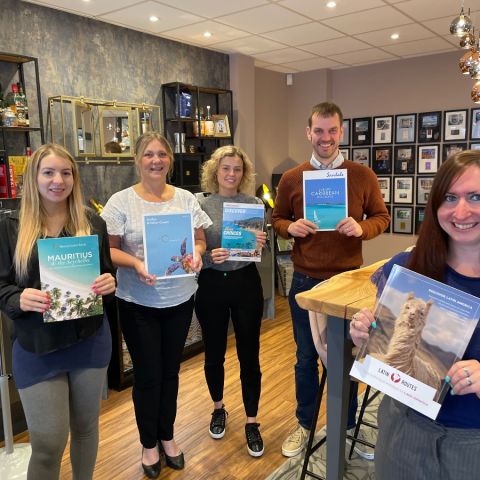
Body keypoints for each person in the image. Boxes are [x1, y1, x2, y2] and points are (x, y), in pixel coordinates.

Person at [350, 150, 480, 479]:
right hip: (403, 429)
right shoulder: (406, 268)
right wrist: (364, 333)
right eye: (450, 197)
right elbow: (376, 343)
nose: (461, 211)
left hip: (472, 443)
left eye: (475, 197)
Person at [272, 102, 390, 458]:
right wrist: (289, 227)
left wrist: (362, 227)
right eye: (319, 131)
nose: (326, 138)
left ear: (342, 132)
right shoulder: (292, 178)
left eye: (332, 130)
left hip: (348, 283)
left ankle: (348, 426)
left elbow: (381, 217)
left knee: (347, 360)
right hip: (305, 282)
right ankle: (304, 424)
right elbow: (277, 218)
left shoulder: (362, 175)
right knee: (305, 358)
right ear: (309, 133)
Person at [0, 144, 116, 480]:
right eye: (48, 172)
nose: (58, 180)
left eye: (66, 173)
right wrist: (18, 299)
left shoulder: (92, 223)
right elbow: (2, 285)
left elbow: (107, 275)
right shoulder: (10, 227)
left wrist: (109, 283)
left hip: (89, 340)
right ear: (34, 178)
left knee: (85, 429)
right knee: (48, 444)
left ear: (74, 178)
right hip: (37, 346)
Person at [101, 132, 211, 479]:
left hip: (180, 299)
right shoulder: (120, 202)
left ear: (170, 160)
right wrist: (136, 263)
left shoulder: (186, 199)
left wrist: (197, 254)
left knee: (170, 372)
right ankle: (148, 443)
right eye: (148, 154)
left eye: (162, 154)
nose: (156, 160)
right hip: (138, 303)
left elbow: (199, 239)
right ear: (137, 159)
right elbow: (110, 250)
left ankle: (167, 434)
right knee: (148, 375)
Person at [194, 145, 267, 457]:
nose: (231, 174)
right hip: (211, 284)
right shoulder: (199, 204)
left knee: (250, 355)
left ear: (243, 172)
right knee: (214, 354)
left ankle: (252, 420)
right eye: (226, 168)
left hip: (245, 284)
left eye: (237, 169)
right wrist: (211, 257)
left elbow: (257, 251)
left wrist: (260, 242)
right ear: (215, 171)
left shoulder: (253, 204)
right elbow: (192, 251)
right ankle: (218, 407)